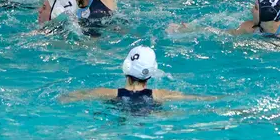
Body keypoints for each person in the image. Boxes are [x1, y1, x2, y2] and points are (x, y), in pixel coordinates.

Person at [61, 46, 216, 103]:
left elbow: (67, 98)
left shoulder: (106, 93)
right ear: (152, 72)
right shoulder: (161, 95)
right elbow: (198, 98)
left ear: (126, 66)